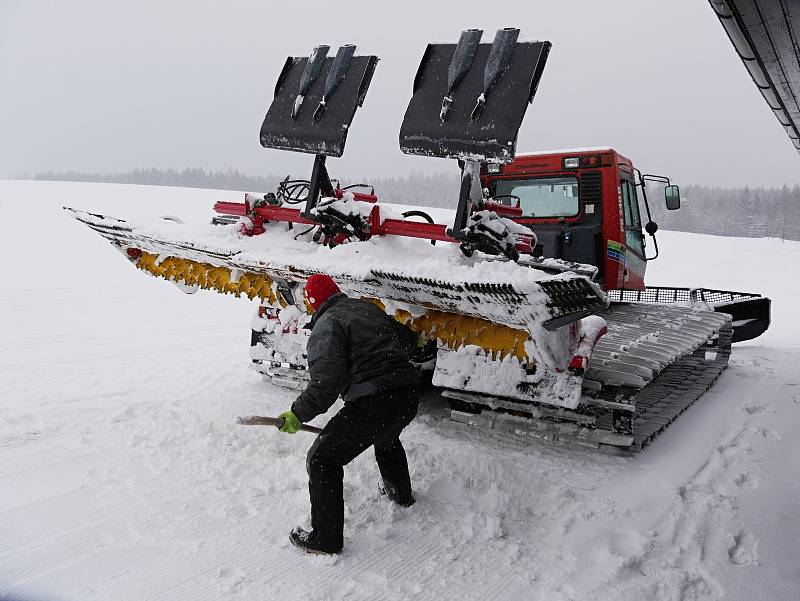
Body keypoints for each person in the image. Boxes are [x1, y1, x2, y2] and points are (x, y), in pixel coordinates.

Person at [277, 273, 421, 555]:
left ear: (313, 302)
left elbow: (325, 383)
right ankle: (400, 494)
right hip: (407, 396)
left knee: (322, 460)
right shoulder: (365, 307)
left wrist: (297, 414)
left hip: (374, 403)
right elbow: (409, 340)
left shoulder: (327, 325)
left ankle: (325, 540)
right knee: (387, 438)